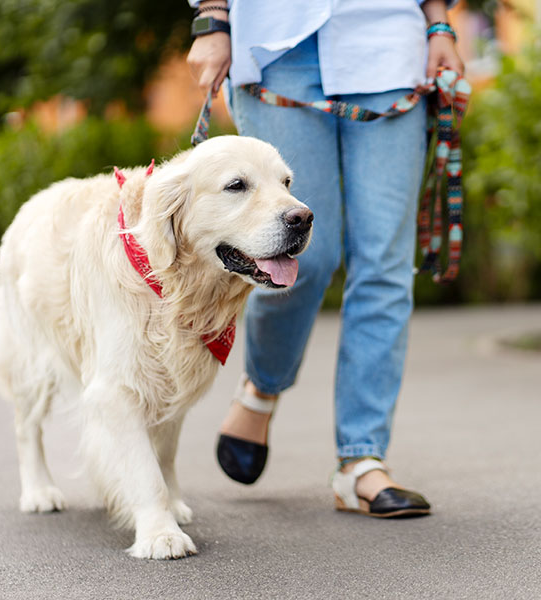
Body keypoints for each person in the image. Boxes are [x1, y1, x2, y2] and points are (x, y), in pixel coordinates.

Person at [187, 0, 464, 517]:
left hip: (388, 44)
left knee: (384, 261)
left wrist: (440, 22)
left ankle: (361, 462)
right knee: (297, 258)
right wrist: (212, 19)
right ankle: (261, 389)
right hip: (276, 44)